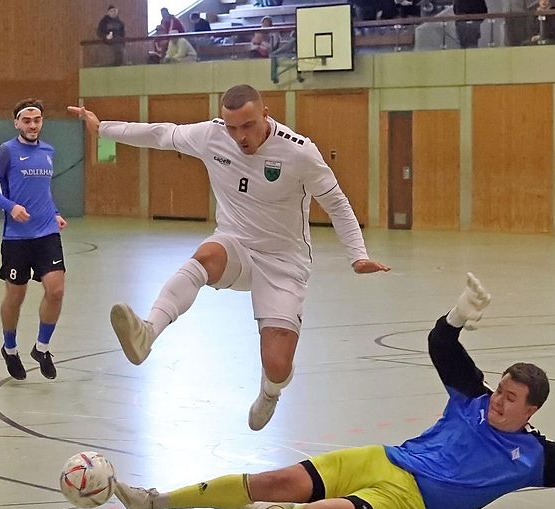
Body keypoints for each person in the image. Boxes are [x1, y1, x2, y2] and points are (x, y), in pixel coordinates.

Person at [110, 273, 555, 509]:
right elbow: (442, 345)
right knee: (279, 477)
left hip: (411, 505)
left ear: (530, 411)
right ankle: (155, 502)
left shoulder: (535, 457)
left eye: (510, 400)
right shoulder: (470, 400)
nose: (497, 401)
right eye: (499, 390)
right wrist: (460, 313)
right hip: (382, 459)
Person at [67, 84, 389, 431]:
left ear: (265, 115)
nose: (240, 136)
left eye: (248, 125)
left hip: (283, 263)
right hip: (235, 245)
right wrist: (103, 128)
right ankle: (147, 333)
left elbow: (337, 202)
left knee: (278, 365)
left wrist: (357, 254)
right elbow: (163, 134)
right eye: (232, 127)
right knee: (206, 255)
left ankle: (270, 390)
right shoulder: (212, 136)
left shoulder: (299, 152)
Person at [0, 99, 68, 381]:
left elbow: (44, 191)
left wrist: (54, 213)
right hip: (17, 238)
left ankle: (42, 348)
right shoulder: (6, 151)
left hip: (47, 233)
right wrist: (11, 207)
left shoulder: (48, 151)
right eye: (27, 121)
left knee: (55, 290)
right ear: (17, 123)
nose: (32, 125)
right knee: (15, 296)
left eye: (37, 120)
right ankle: (10, 347)